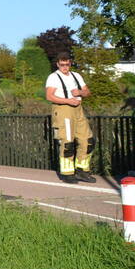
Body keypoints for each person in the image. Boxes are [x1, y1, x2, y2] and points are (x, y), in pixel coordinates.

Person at [45, 52, 95, 184]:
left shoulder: (76, 76)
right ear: (58, 64)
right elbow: (49, 96)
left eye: (67, 64)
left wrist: (80, 92)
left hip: (78, 109)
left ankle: (82, 171)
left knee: (87, 140)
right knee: (68, 142)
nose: (65, 67)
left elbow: (87, 92)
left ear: (70, 63)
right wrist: (67, 100)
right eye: (62, 65)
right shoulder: (53, 77)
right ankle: (67, 173)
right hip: (63, 110)